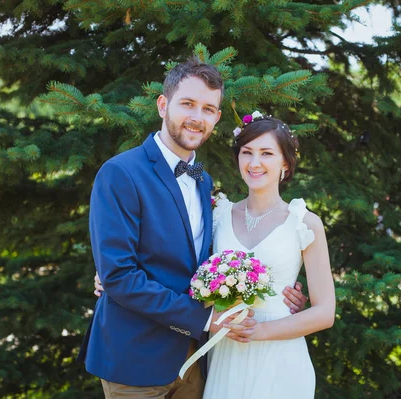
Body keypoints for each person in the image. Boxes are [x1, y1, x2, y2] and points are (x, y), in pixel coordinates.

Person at [79, 57, 308, 399]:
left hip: (196, 361)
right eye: (187, 104)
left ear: (216, 117)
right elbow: (119, 276)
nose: (196, 118)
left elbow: (208, 258)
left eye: (207, 109)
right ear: (163, 105)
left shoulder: (202, 180)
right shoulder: (121, 173)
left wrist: (281, 294)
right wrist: (204, 320)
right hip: (135, 361)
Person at [202, 114, 336, 398]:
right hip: (227, 353)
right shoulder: (219, 216)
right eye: (247, 152)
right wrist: (108, 275)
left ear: (285, 163)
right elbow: (182, 269)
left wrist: (259, 331)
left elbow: (325, 312)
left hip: (280, 356)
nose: (254, 163)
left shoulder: (304, 222)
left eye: (266, 153)